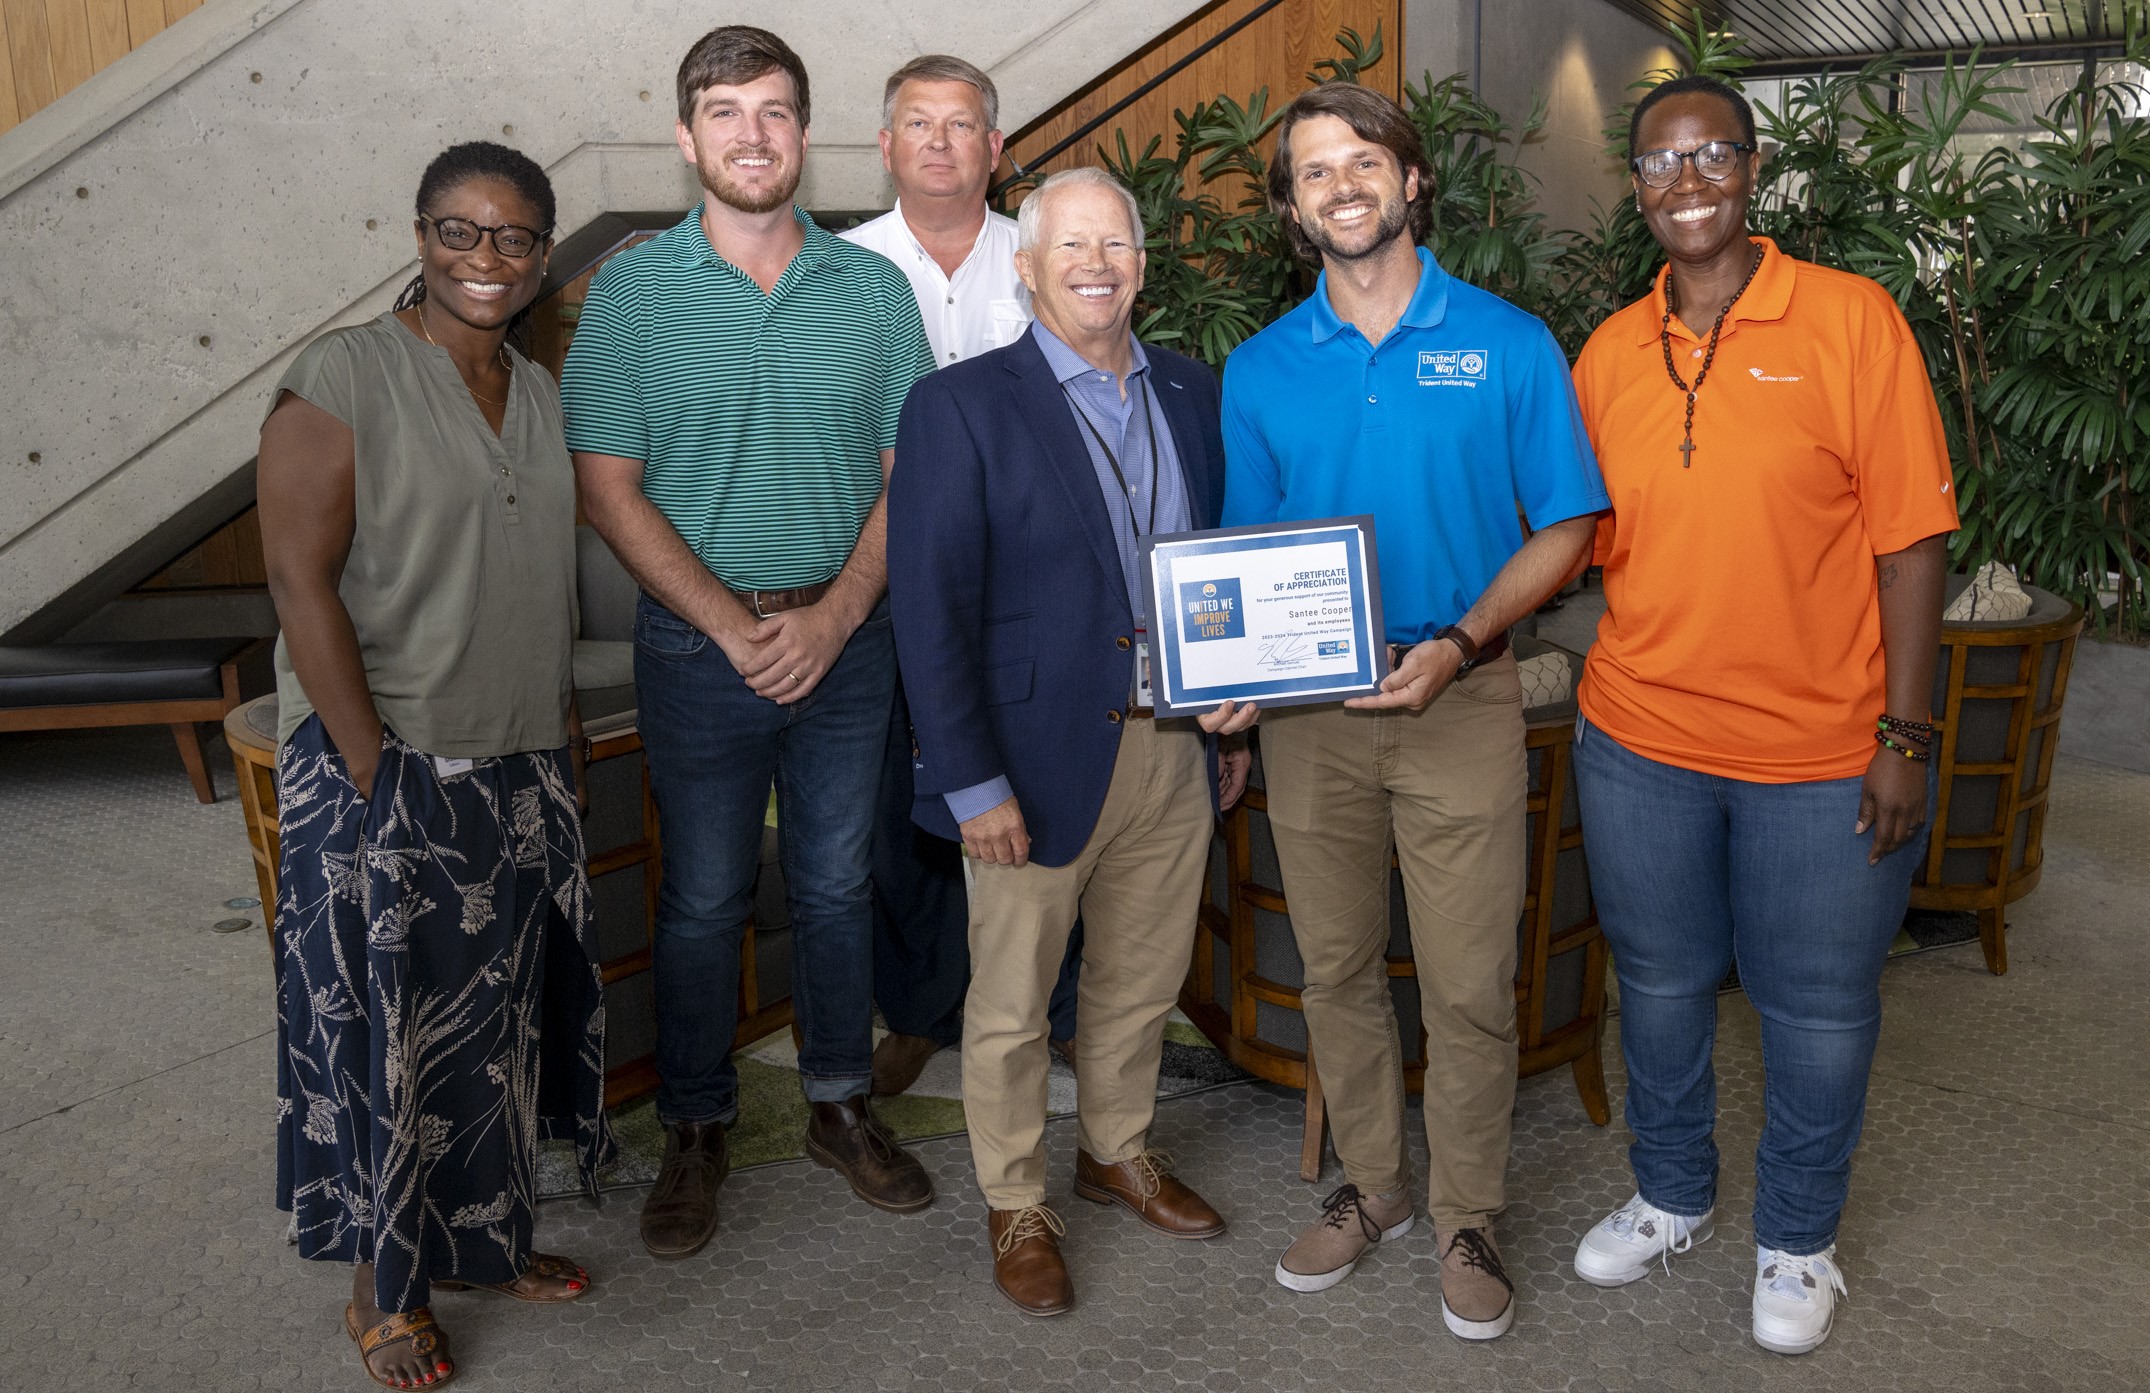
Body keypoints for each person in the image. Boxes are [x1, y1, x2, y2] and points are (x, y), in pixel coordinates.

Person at [1566, 75, 1955, 1356]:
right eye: (1658, 163)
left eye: (1710, 155)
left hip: (1821, 753)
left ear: (1752, 169)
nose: (1685, 182)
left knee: (1817, 1008)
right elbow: (1574, 533)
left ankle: (1796, 1238)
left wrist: (1905, 734)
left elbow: (1909, 544)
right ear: (1635, 187)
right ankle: (1672, 1191)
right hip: (1639, 746)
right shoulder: (1610, 350)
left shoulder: (1849, 319)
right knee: (1660, 987)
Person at [1220, 84, 1608, 1340]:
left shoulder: (1504, 342)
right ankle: (1376, 1188)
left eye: (1361, 160)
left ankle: (1467, 1210)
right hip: (1312, 714)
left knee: (1466, 983)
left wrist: (1458, 639)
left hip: (1460, 695)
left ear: (1411, 180)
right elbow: (1240, 556)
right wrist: (1230, 675)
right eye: (1312, 170)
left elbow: (1566, 526)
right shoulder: (1260, 368)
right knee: (1332, 966)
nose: (1340, 184)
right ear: (1291, 207)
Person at [562, 25, 938, 1260]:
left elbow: (907, 474)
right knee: (706, 897)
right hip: (692, 653)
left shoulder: (871, 290)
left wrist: (829, 618)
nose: (751, 134)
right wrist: (734, 627)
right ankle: (697, 1127)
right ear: (686, 139)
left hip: (848, 639)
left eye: (774, 110)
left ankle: (837, 1103)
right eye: (724, 112)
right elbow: (608, 486)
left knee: (836, 882)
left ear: (803, 132)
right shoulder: (629, 293)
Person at [258, 141, 610, 1391]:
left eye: (514, 238)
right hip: (388, 762)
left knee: (495, 1025)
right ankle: (380, 1290)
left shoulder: (537, 386)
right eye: (459, 232)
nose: (485, 259)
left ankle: (482, 1237)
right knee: (383, 1036)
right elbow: (299, 580)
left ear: (542, 257)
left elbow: (537, 577)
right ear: (418, 234)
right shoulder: (344, 373)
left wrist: (558, 721)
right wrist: (371, 768)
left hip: (517, 758)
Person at [889, 167, 1257, 1317]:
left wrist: (1229, 708)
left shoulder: (1193, 392)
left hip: (1170, 745)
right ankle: (1015, 1199)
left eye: (1118, 245)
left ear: (1142, 266)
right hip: (1028, 757)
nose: (1097, 265)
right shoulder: (960, 404)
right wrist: (968, 780)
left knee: (1140, 977)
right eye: (1072, 247)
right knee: (1007, 1003)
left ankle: (1114, 1150)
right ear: (1029, 267)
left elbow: (1221, 568)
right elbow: (929, 607)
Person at [837, 54, 1078, 1098]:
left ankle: (1059, 1007)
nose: (940, 142)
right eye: (917, 125)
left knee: (1047, 789)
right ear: (885, 148)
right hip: (883, 581)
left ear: (996, 148)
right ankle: (922, 1007)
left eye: (962, 124)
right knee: (900, 807)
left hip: (1027, 586)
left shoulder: (1045, 254)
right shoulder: (838, 270)